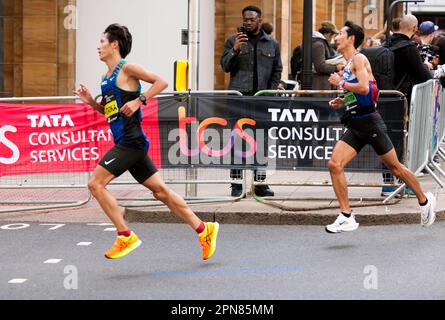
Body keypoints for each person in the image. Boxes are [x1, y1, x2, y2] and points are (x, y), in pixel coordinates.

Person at [74, 23, 219, 260]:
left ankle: (125, 236)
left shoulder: (127, 68)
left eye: (101, 42)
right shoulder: (105, 78)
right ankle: (205, 230)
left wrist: (139, 100)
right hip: (129, 144)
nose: (97, 47)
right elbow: (112, 113)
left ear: (114, 45)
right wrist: (91, 102)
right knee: (161, 192)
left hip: (131, 143)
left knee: (95, 184)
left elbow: (161, 82)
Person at [325, 21, 436, 233]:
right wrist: (343, 100)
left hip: (370, 123)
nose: (336, 37)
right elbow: (363, 93)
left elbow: (364, 87)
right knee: (334, 164)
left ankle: (424, 201)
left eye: (340, 34)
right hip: (356, 123)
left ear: (351, 39)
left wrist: (340, 83)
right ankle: (346, 215)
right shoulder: (348, 64)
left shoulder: (359, 58)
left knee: (395, 168)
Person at [221, 5, 282, 197]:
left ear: (259, 19)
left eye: (251, 19)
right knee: (237, 140)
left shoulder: (271, 43)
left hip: (261, 100)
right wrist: (236, 50)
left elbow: (277, 70)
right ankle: (237, 183)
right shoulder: (233, 41)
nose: (248, 23)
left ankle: (259, 184)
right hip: (239, 99)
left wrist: (269, 92)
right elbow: (225, 66)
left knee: (262, 141)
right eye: (245, 19)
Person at [312, 21, 345, 90]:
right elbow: (320, 66)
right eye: (332, 35)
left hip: (319, 84)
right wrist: (337, 68)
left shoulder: (318, 42)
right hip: (319, 85)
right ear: (329, 34)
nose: (332, 38)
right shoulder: (319, 44)